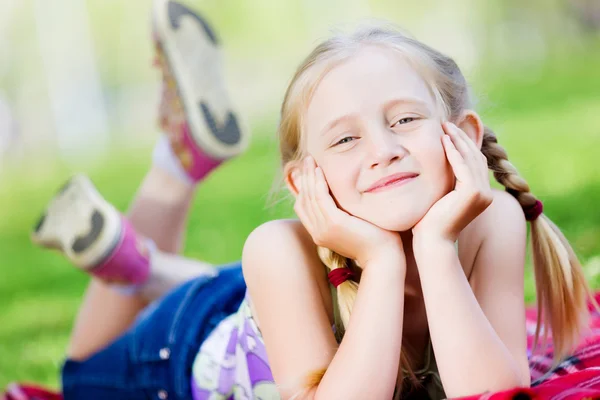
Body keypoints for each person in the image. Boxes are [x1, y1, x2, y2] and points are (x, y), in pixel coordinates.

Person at [10, 1, 597, 400]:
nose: (384, 150)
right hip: (185, 341)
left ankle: (140, 259)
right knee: (78, 377)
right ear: (304, 182)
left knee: (235, 284)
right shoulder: (277, 247)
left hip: (282, 297)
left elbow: (491, 392)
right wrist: (387, 263)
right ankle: (166, 184)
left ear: (463, 136)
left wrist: (436, 249)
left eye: (406, 119)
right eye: (345, 138)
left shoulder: (489, 221)